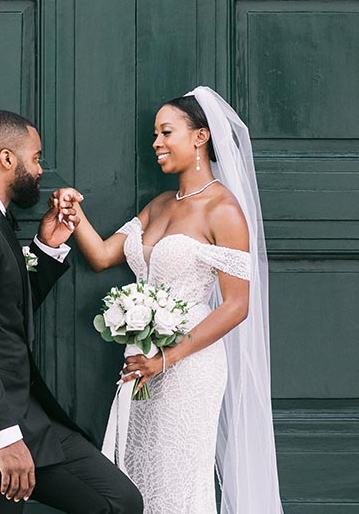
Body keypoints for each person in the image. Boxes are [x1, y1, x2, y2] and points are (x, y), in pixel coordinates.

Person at [53, 86, 284, 514]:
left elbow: (236, 306)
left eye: (166, 133)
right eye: (155, 135)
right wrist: (73, 212)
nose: (156, 143)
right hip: (141, 362)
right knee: (137, 475)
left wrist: (168, 358)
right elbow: (104, 255)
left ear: (200, 136)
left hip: (189, 366)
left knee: (177, 482)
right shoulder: (159, 205)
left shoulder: (224, 210)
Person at [0, 108, 143, 514]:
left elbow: (3, 314)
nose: (39, 170)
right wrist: (3, 437)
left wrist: (46, 247)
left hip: (23, 415)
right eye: (35, 158)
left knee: (119, 501)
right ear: (6, 158)